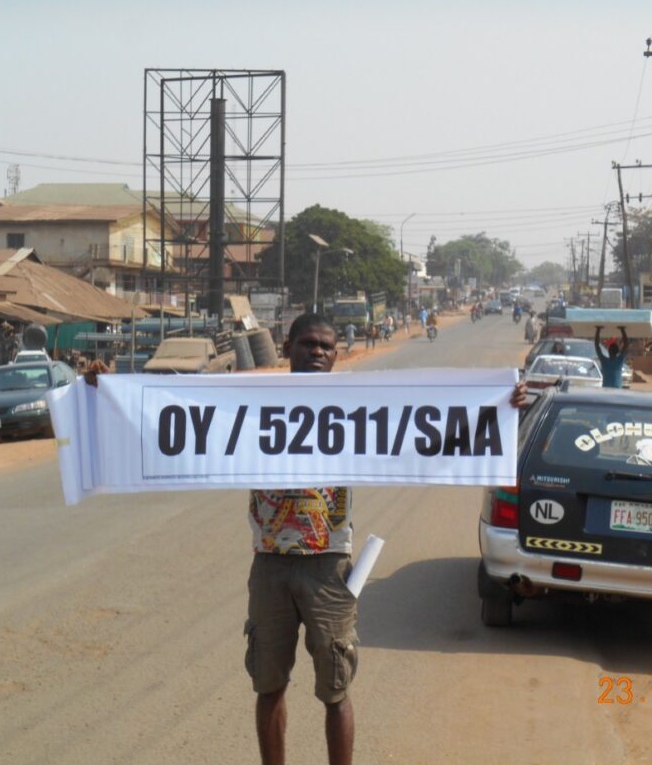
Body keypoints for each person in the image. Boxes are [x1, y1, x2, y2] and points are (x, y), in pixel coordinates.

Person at [83, 321, 530, 765]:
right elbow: (175, 405)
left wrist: (504, 405)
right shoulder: (255, 401)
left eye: (326, 346)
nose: (317, 351)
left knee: (336, 689)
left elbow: (436, 420)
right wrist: (105, 389)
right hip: (270, 565)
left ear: (337, 354)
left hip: (329, 565)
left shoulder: (357, 406)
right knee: (268, 685)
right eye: (308, 344)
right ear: (286, 347)